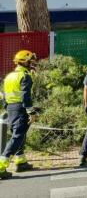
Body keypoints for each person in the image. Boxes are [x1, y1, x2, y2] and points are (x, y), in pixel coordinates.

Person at [0, 50, 38, 179]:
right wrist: (31, 112)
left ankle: (20, 161)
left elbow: (4, 96)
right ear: (24, 62)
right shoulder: (25, 75)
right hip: (20, 109)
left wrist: (8, 108)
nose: (33, 63)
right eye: (31, 61)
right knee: (17, 136)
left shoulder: (9, 76)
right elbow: (25, 96)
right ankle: (1, 165)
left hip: (10, 108)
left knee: (20, 135)